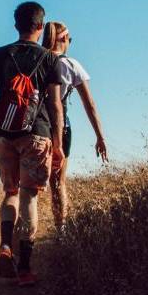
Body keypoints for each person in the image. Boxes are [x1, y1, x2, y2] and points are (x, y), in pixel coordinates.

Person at [0, 1, 64, 286]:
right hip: (37, 133)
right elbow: (55, 105)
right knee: (29, 197)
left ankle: (4, 245)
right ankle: (25, 268)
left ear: (16, 25)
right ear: (41, 26)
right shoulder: (50, 59)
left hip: (3, 133)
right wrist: (58, 144)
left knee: (10, 193)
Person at [41, 21, 107, 230]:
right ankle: (61, 229)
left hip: (34, 127)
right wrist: (100, 136)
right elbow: (90, 104)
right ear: (63, 39)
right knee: (58, 182)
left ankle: (21, 234)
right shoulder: (71, 65)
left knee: (25, 185)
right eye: (69, 39)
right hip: (61, 128)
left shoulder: (37, 59)